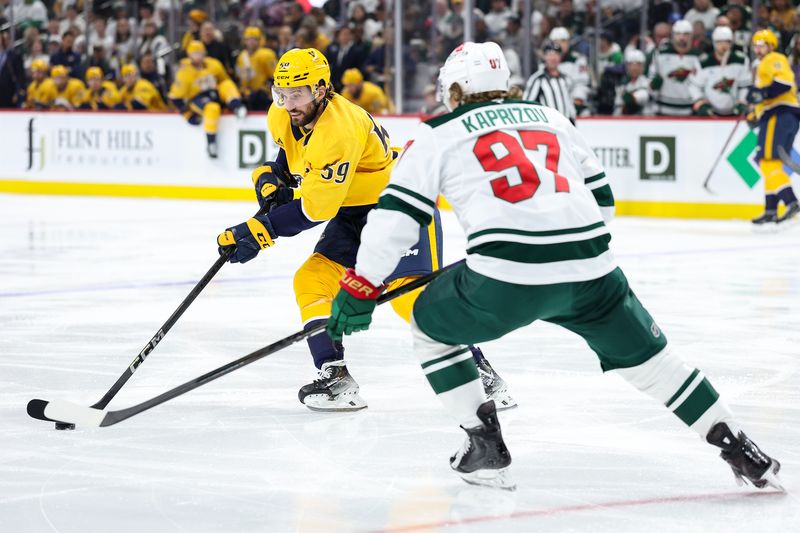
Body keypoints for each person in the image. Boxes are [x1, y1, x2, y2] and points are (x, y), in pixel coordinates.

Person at [325, 41, 785, 492]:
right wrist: (559, 241)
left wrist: (362, 283)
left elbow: (397, 218)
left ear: (457, 90)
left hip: (505, 277)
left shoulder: (438, 131)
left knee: (430, 327)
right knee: (657, 365)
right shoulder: (552, 118)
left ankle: (485, 449)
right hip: (594, 273)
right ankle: (740, 447)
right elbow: (603, 202)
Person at [216, 47, 515, 412]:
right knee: (312, 280)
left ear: (322, 90)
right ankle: (335, 376)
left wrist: (258, 231)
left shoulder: (339, 129)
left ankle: (482, 376)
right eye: (282, 93)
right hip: (354, 213)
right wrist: (274, 178)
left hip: (399, 209)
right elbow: (292, 155)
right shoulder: (283, 114)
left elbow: (314, 209)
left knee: (413, 302)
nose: (289, 103)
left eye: (298, 94)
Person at [747, 29, 800, 225]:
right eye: (756, 45)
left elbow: (784, 84)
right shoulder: (762, 66)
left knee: (767, 160)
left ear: (771, 45)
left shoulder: (775, 58)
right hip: (774, 115)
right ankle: (770, 208)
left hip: (779, 114)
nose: (758, 49)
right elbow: (765, 96)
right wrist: (755, 112)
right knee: (768, 162)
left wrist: (761, 94)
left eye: (762, 44)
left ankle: (791, 201)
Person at [168, 40, 246, 159]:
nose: (198, 56)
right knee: (212, 108)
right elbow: (175, 97)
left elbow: (223, 79)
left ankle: (237, 106)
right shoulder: (184, 72)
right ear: (189, 55)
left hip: (214, 92)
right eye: (195, 53)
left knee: (227, 84)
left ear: (204, 52)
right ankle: (211, 143)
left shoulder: (214, 64)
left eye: (200, 52)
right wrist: (187, 114)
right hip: (197, 98)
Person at [689, 26, 750, 117]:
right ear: (714, 43)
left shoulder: (741, 60)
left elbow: (745, 85)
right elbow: (694, 85)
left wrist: (742, 101)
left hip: (734, 113)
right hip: (710, 113)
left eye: (727, 42)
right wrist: (700, 102)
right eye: (719, 42)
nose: (723, 45)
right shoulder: (704, 62)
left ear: (731, 42)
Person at [648, 20, 702, 116]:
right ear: (672, 36)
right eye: (678, 34)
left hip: (689, 110)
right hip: (663, 109)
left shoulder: (699, 56)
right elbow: (650, 83)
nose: (681, 38)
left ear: (691, 36)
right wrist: (654, 84)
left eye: (686, 34)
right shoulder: (660, 54)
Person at [523, 41, 577, 124]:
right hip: (548, 127)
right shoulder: (537, 79)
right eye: (550, 54)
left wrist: (572, 122)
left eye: (556, 54)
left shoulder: (566, 79)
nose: (553, 58)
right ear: (544, 57)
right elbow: (527, 105)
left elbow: (569, 104)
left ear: (560, 57)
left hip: (566, 126)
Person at [547, 27, 591, 116]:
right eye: (556, 41)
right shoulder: (545, 61)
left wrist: (577, 102)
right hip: (552, 107)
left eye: (563, 41)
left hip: (575, 107)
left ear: (568, 42)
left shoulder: (578, 59)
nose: (560, 44)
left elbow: (582, 84)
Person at [235, 26, 276, 111]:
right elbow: (240, 76)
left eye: (254, 39)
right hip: (247, 94)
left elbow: (275, 76)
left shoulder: (267, 54)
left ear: (259, 40)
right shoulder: (241, 56)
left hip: (263, 95)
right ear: (245, 41)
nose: (251, 42)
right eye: (248, 39)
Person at [614, 49, 651, 115]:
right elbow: (618, 106)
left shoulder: (647, 82)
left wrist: (630, 98)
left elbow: (641, 96)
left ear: (643, 66)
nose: (634, 68)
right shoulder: (622, 83)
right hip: (625, 121)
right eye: (631, 64)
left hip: (645, 120)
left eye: (638, 64)